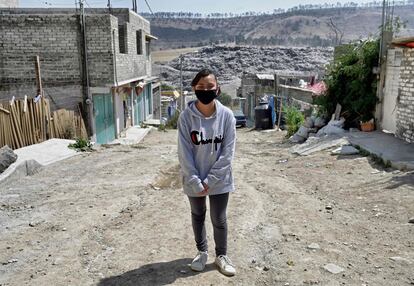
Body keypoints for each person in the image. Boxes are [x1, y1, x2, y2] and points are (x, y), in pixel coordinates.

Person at [177, 69, 237, 276]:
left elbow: (228, 152)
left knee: (219, 218)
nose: (205, 90)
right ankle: (202, 252)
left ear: (218, 89)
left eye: (210, 86)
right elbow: (184, 151)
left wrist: (210, 180)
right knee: (198, 215)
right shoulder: (186, 118)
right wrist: (195, 180)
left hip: (219, 180)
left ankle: (221, 256)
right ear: (194, 88)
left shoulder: (227, 116)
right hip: (193, 179)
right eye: (201, 87)